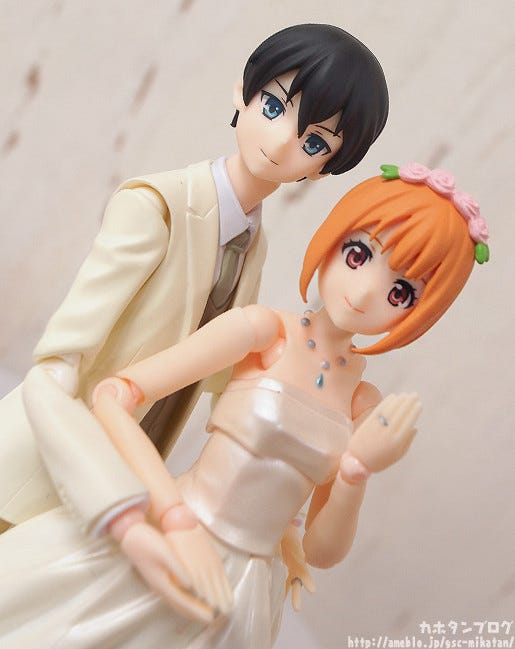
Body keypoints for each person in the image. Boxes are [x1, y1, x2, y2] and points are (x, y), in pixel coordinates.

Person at [0, 164, 489, 648]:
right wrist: (172, 518)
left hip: (244, 593)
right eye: (358, 254)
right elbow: (116, 394)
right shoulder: (263, 332)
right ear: (333, 236)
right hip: (173, 528)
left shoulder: (363, 403)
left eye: (400, 292)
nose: (363, 292)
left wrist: (355, 472)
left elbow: (320, 550)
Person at [0, 24, 389, 538]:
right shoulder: (157, 207)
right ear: (242, 92)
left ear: (324, 168)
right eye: (274, 107)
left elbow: (226, 377)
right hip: (46, 458)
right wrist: (74, 451)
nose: (281, 141)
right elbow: (64, 351)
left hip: (133, 460)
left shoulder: (254, 247)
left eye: (313, 141)